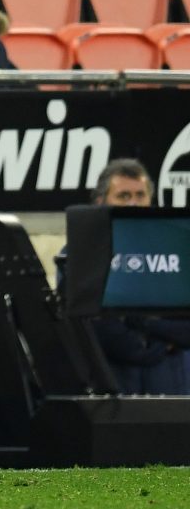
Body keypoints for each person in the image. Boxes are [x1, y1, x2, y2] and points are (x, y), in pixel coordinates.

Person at [56, 158, 190, 394]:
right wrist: (157, 344)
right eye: (124, 196)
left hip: (174, 388)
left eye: (140, 195)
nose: (135, 204)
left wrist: (140, 323)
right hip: (116, 388)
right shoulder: (78, 254)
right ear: (100, 202)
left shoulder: (177, 249)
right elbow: (98, 328)